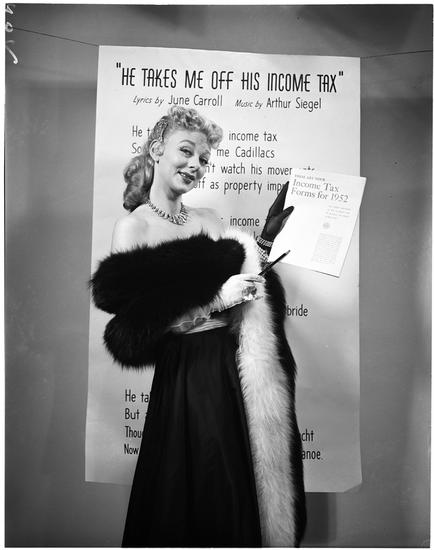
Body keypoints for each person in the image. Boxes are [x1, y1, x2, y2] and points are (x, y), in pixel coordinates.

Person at [91, 106, 306, 547]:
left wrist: (264, 241)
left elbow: (242, 284)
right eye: (186, 151)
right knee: (194, 488)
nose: (196, 165)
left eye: (204, 159)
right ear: (157, 150)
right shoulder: (133, 228)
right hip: (188, 374)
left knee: (235, 486)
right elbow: (136, 328)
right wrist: (215, 299)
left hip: (232, 368)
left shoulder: (208, 220)